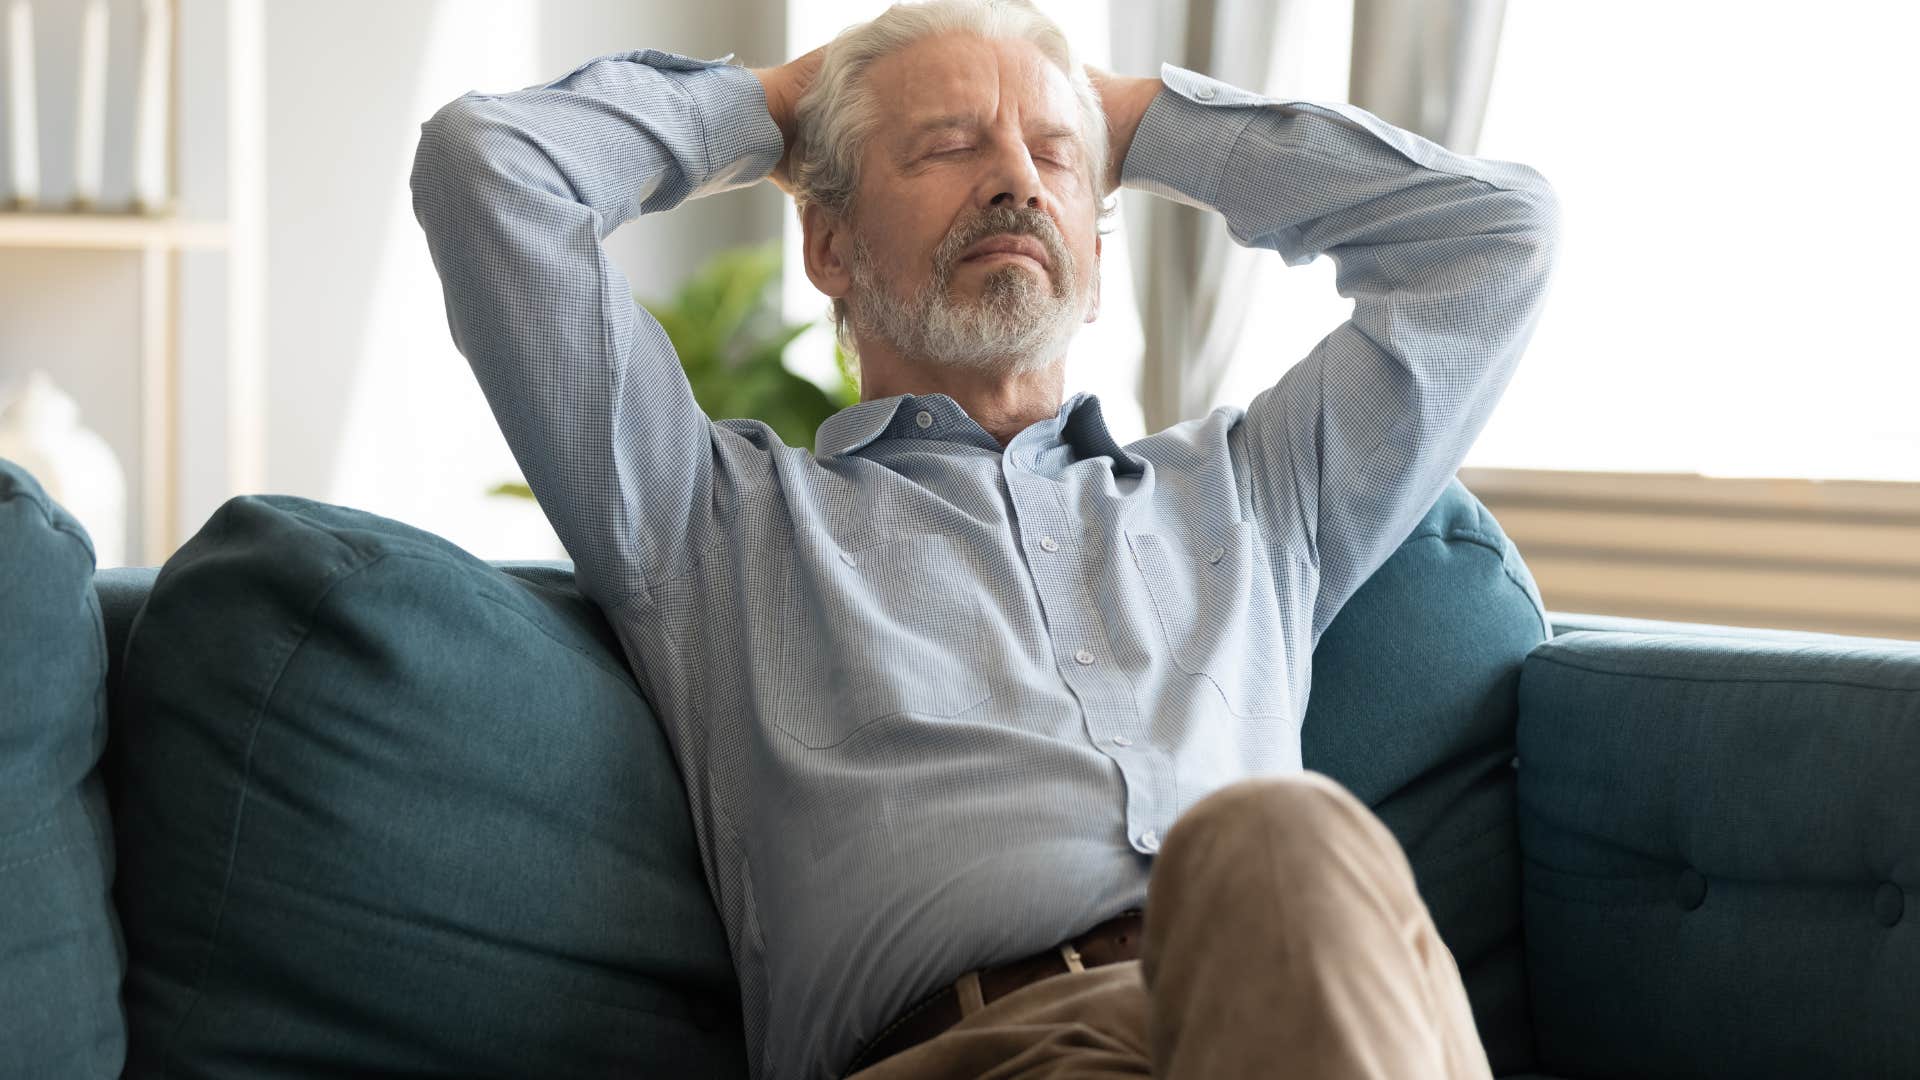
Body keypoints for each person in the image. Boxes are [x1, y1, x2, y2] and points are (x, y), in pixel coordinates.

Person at [409, 1, 1559, 1076]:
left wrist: (1143, 123)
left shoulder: (1257, 492)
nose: (1014, 179)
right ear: (829, 247)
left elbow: (1495, 238)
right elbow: (489, 174)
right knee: (1278, 840)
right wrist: (777, 103)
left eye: (1055, 160)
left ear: (1099, 258)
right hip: (990, 1050)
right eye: (948, 146)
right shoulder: (713, 519)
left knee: (1282, 855)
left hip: (1291, 1008)